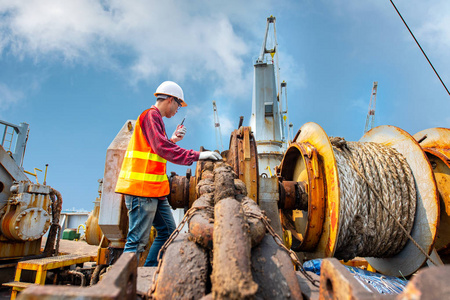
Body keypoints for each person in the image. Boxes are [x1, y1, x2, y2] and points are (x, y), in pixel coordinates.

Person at [115, 81, 221, 266]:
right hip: (142, 191)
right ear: (171, 100)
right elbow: (162, 148)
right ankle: (120, 287)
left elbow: (157, 147)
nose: (177, 110)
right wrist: (199, 155)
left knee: (168, 233)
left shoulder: (156, 120)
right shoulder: (150, 116)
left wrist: (172, 139)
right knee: (136, 242)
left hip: (154, 191)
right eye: (178, 105)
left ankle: (149, 272)